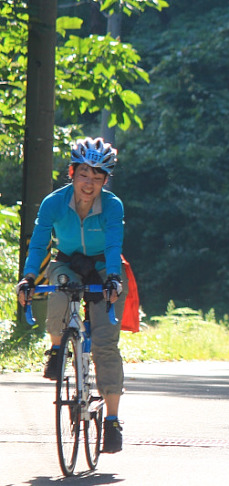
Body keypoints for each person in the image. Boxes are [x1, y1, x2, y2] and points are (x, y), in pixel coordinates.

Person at [16, 137, 126, 454]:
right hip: (67, 263)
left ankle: (112, 421)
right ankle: (56, 348)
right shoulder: (53, 203)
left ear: (105, 180)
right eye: (83, 175)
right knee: (61, 294)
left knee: (105, 344)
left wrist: (114, 280)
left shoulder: (113, 205)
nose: (89, 184)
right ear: (71, 172)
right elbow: (38, 244)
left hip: (105, 268)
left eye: (97, 177)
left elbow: (113, 246)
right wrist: (27, 277)